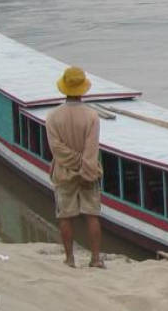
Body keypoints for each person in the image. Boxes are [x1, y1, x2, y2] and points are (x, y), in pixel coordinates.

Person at [46, 66, 104, 269]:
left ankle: (70, 259)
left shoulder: (53, 117)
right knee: (92, 215)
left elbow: (56, 149)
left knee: (65, 216)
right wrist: (84, 166)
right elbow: (91, 149)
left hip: (63, 172)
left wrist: (73, 163)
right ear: (83, 90)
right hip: (89, 173)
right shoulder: (92, 116)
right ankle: (95, 259)